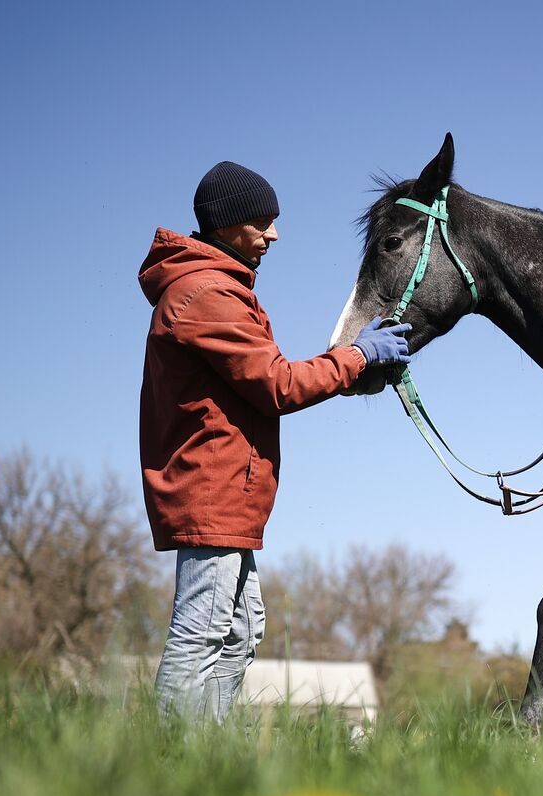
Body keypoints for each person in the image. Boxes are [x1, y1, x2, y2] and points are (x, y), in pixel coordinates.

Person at [138, 161, 406, 723]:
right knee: (203, 631)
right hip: (209, 490)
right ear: (226, 225)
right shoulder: (204, 296)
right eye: (260, 223)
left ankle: (206, 753)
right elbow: (278, 383)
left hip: (230, 494)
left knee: (241, 630)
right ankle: (166, 761)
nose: (272, 236)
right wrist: (357, 357)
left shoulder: (219, 289)